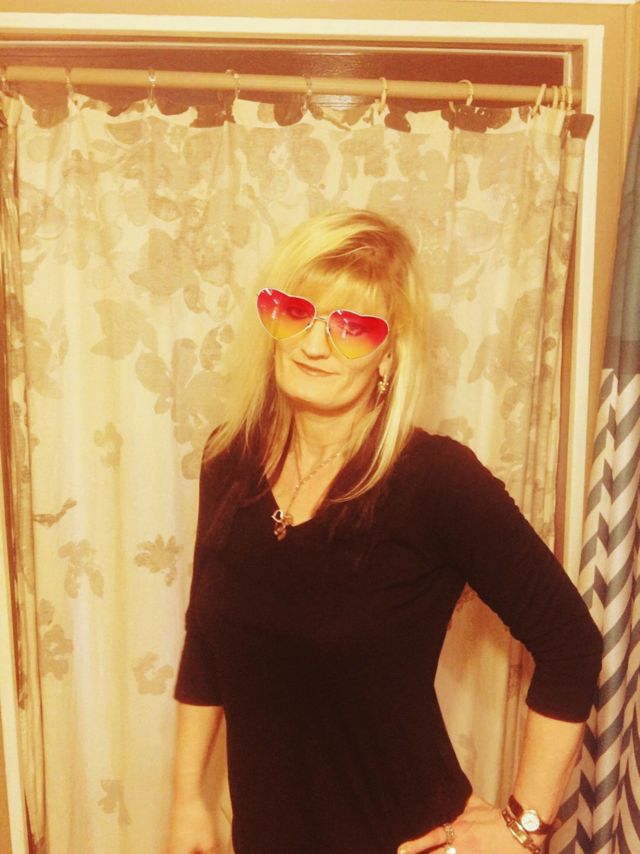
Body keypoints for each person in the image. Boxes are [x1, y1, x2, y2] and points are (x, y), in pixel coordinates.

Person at [165, 209, 603, 854]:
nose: (314, 345)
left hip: (404, 836)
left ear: (389, 355)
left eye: (351, 327)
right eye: (295, 312)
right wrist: (187, 797)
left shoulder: (436, 480)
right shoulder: (227, 459)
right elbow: (206, 639)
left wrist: (524, 827)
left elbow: (572, 642)